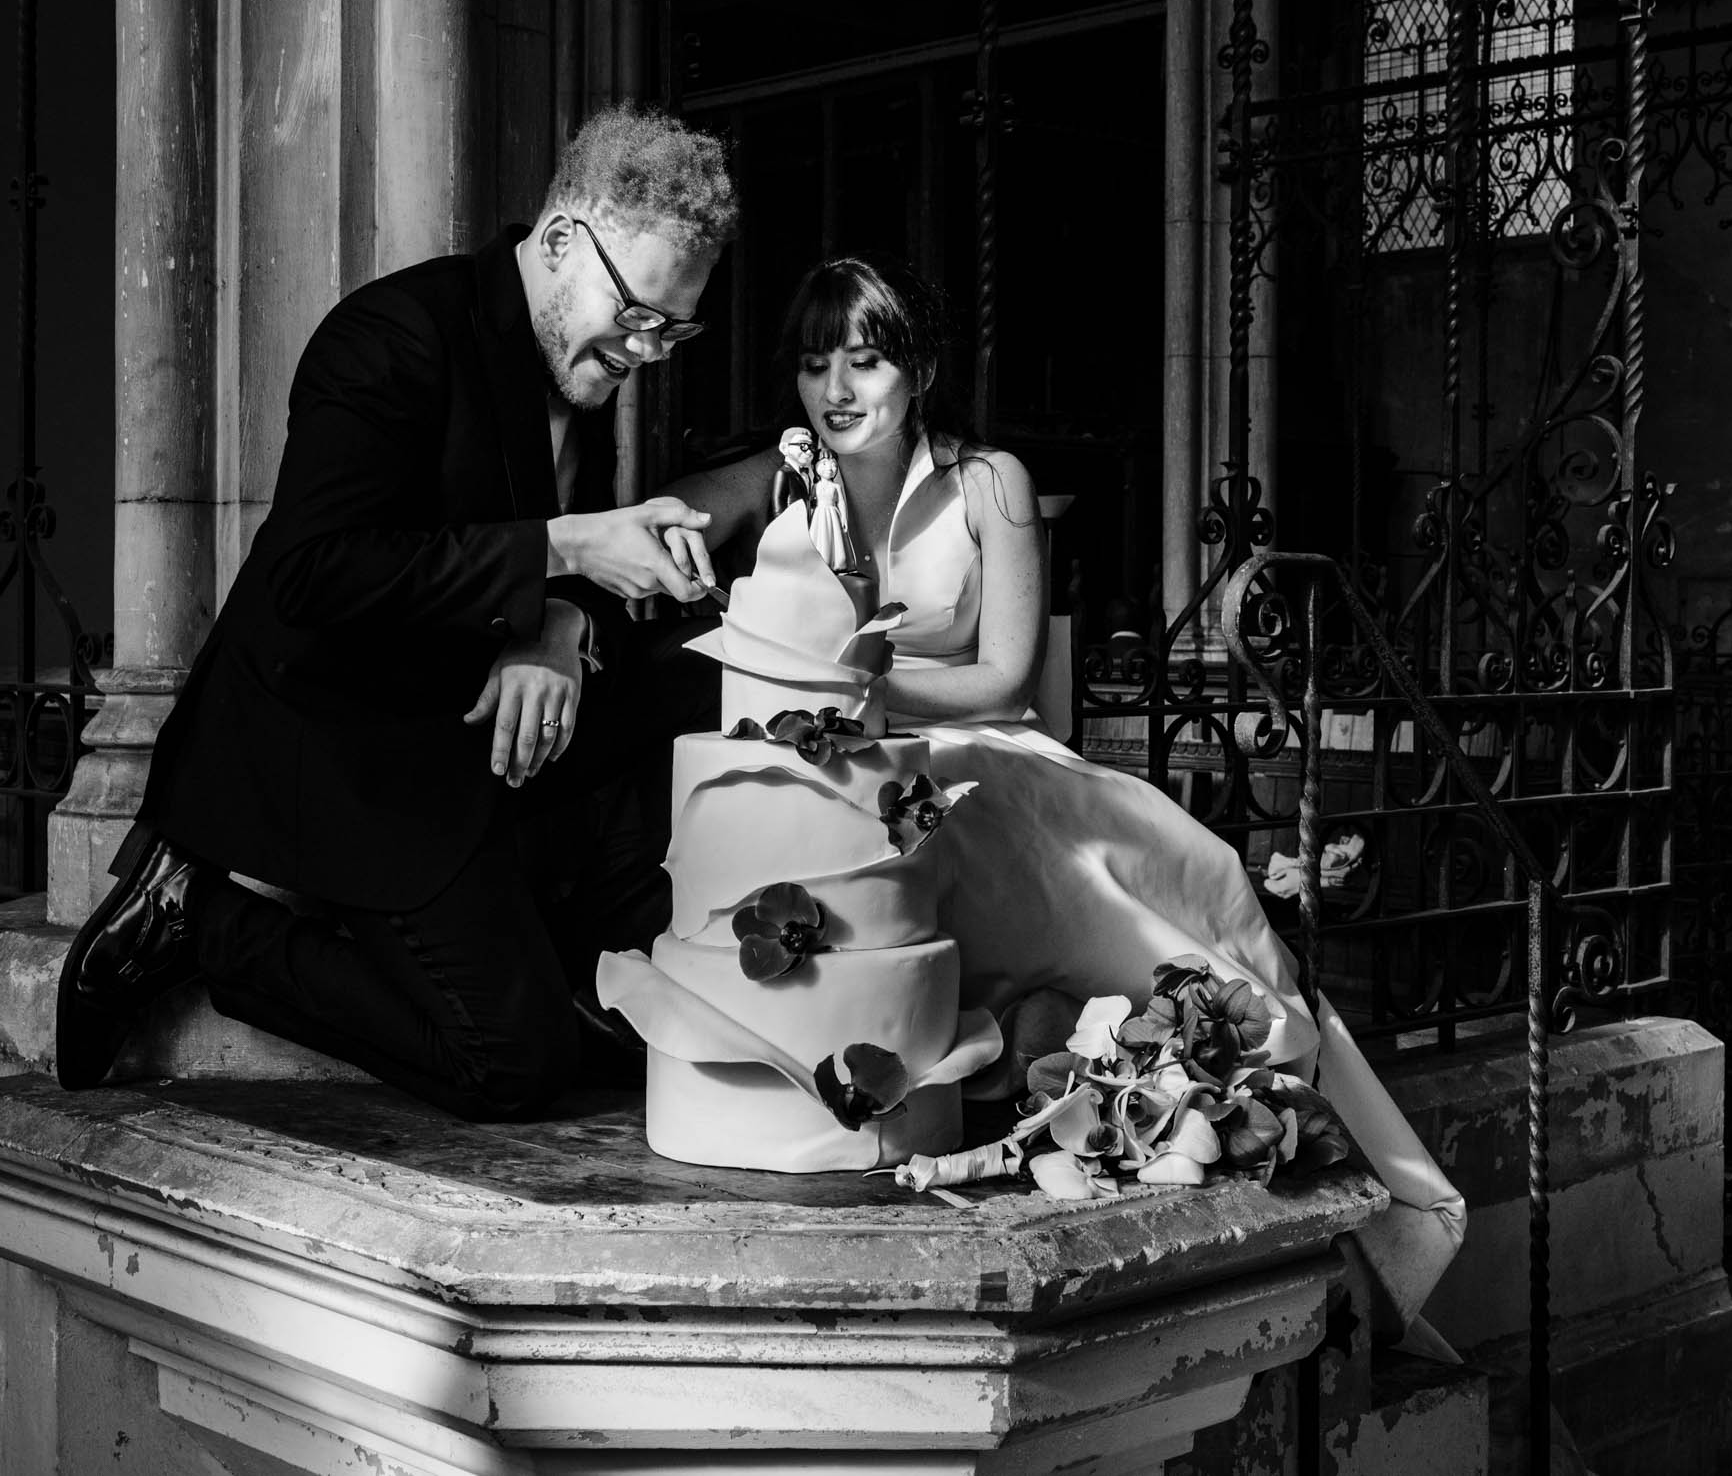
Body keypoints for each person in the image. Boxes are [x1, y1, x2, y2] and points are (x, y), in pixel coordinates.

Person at [654, 257, 1467, 1340]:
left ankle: (1233, 1083)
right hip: (858, 755)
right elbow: (667, 528)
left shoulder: (988, 480)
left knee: (1098, 855)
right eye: (814, 366)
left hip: (987, 744)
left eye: (864, 359)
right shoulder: (790, 476)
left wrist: (854, 688)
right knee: (860, 831)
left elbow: (1000, 671)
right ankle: (1003, 1076)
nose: (837, 389)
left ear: (922, 367)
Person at [55, 104, 737, 1120]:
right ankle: (204, 918)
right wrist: (568, 550)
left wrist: (556, 623)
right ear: (558, 240)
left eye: (674, 328)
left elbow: (529, 558)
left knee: (700, 670)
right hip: (334, 742)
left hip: (456, 719)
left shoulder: (576, 364)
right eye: (640, 315)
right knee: (513, 1059)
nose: (651, 351)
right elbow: (313, 573)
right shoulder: (392, 336)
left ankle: (594, 920)